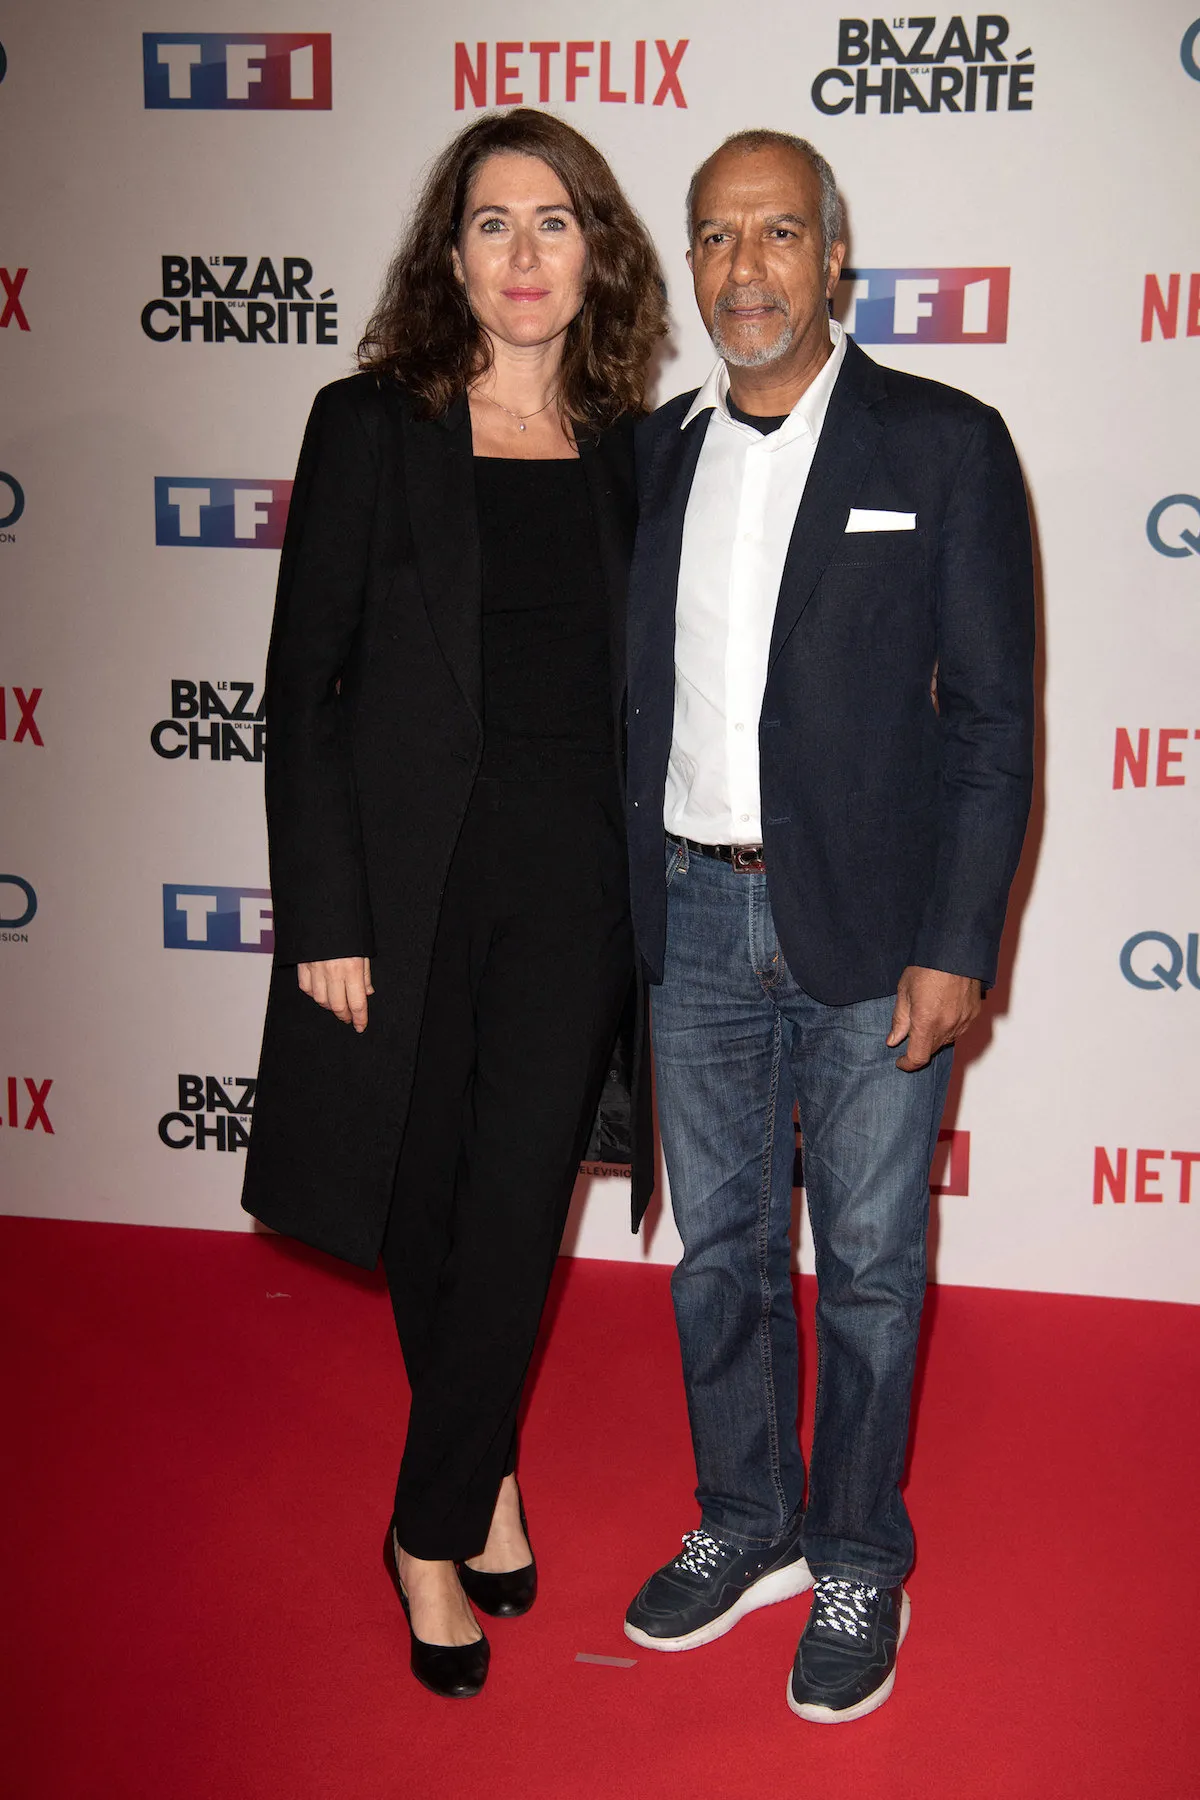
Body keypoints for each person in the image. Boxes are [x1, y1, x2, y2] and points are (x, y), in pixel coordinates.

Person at [241, 109, 665, 1700]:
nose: (525, 253)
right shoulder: (369, 424)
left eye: (553, 221)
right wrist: (324, 914)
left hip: (578, 891)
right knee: (422, 1209)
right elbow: (306, 692)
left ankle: (425, 1529)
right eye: (492, 223)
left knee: (509, 1210)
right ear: (450, 254)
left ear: (595, 250)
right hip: (410, 888)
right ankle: (482, 1466)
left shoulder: (636, 447)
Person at [622, 130, 1034, 1722]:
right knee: (718, 1260)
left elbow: (995, 723)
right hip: (693, 918)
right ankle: (748, 1521)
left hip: (876, 937)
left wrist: (959, 943)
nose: (746, 269)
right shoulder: (655, 453)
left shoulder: (943, 445)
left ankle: (860, 1549)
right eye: (717, 239)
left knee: (866, 1267)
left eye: (778, 233)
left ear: (835, 261)